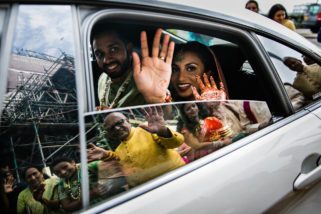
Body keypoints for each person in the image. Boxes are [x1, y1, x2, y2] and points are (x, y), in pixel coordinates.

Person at [92, 24, 174, 109]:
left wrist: (158, 99)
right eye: (99, 54)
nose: (106, 60)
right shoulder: (103, 78)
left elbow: (169, 118)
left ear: (128, 48)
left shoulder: (145, 78)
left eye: (113, 49)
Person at [99, 107, 185, 187]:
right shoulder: (119, 150)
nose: (117, 128)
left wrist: (163, 131)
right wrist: (104, 155)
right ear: (109, 134)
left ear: (128, 121)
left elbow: (177, 142)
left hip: (176, 181)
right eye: (111, 128)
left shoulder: (147, 129)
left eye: (119, 123)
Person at [50, 155, 125, 212]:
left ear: (73, 163)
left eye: (65, 167)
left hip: (114, 206)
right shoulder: (61, 185)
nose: (63, 172)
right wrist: (91, 195)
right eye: (57, 172)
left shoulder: (89, 167)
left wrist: (106, 182)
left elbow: (117, 168)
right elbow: (67, 207)